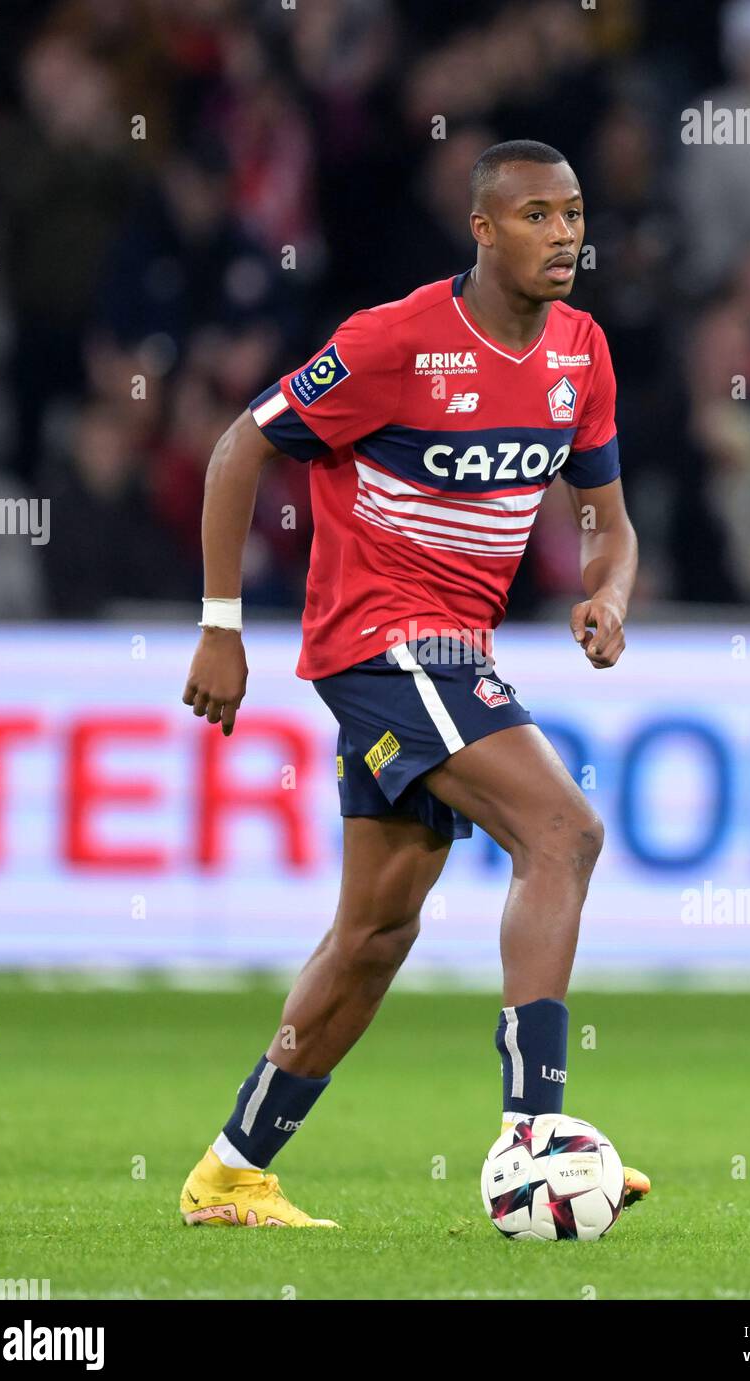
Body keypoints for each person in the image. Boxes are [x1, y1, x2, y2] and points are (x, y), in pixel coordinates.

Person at [179, 140, 650, 1230]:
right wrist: (219, 628)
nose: (564, 235)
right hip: (383, 640)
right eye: (536, 216)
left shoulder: (580, 353)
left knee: (376, 933)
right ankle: (536, 1137)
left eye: (574, 214)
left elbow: (608, 524)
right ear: (482, 229)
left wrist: (609, 594)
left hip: (455, 651)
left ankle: (231, 1172)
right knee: (563, 831)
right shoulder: (393, 342)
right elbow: (240, 448)